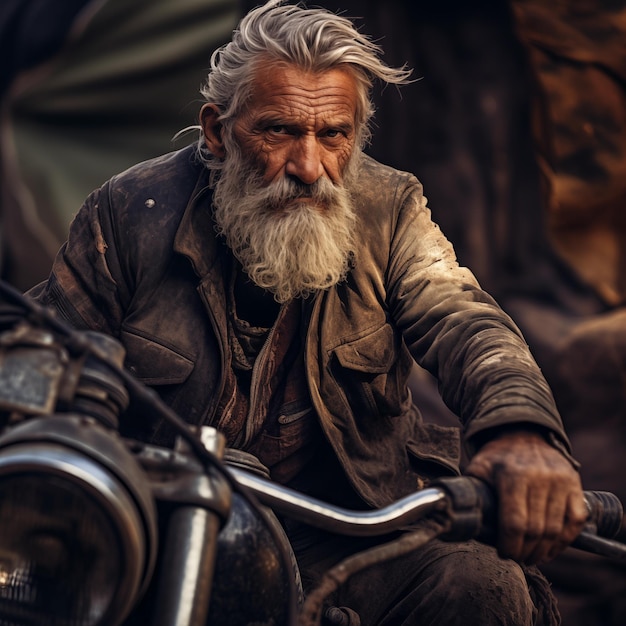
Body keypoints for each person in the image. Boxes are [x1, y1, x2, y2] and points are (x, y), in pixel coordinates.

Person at [27, 1, 588, 624]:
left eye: (333, 135)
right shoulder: (130, 212)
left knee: (485, 587)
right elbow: (46, 354)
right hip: (166, 525)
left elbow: (463, 319)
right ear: (217, 131)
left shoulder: (391, 209)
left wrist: (521, 430)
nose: (309, 167)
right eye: (280, 131)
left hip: (348, 530)